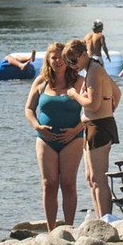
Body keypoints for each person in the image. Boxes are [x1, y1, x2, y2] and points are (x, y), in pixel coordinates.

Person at [22, 43, 88, 231]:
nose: (57, 61)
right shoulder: (40, 81)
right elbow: (29, 109)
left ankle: (68, 229)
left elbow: (93, 109)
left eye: (61, 57)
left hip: (73, 138)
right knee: (48, 184)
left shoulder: (79, 82)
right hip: (45, 139)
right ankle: (52, 230)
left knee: (68, 183)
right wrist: (37, 127)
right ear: (48, 60)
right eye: (54, 57)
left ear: (67, 60)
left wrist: (76, 130)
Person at [68, 39, 122, 221]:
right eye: (69, 63)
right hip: (95, 125)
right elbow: (117, 93)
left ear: (84, 55)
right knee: (91, 178)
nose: (72, 66)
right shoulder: (93, 69)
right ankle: (101, 218)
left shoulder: (94, 71)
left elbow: (92, 104)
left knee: (98, 178)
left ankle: (106, 219)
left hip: (99, 126)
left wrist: (75, 94)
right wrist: (110, 108)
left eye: (74, 61)